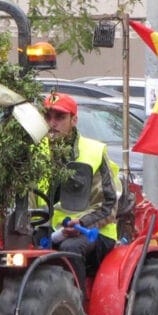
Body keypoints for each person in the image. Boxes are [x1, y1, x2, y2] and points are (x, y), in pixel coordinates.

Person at [39, 93, 119, 272]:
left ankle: (75, 298)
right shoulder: (35, 151)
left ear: (74, 120)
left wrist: (82, 224)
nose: (52, 123)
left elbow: (109, 205)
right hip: (49, 229)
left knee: (70, 248)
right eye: (48, 116)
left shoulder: (94, 152)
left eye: (59, 117)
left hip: (93, 232)